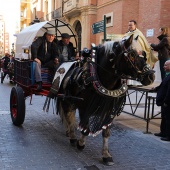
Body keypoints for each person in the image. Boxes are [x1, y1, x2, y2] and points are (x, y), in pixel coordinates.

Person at [123, 20, 158, 86]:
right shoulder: (126, 34)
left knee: (137, 66)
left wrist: (140, 51)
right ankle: (129, 82)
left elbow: (142, 44)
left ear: (135, 25)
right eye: (129, 25)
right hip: (128, 54)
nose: (129, 26)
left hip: (138, 54)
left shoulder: (138, 33)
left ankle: (137, 82)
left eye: (131, 25)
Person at [153, 60, 170, 141]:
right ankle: (163, 132)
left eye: (166, 65)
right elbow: (162, 85)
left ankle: (168, 135)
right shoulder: (167, 75)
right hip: (164, 102)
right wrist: (155, 89)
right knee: (164, 118)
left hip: (167, 102)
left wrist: (166, 102)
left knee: (168, 119)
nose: (163, 67)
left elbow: (169, 91)